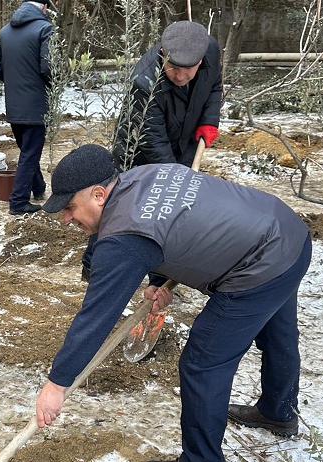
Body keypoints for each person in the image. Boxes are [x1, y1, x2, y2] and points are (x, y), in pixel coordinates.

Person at [36, 144, 311, 462]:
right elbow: (173, 221)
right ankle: (278, 410)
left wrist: (56, 385)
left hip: (260, 263)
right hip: (287, 233)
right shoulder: (143, 176)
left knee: (203, 363)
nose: (66, 218)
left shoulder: (121, 238)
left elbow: (95, 318)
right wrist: (156, 281)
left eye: (70, 207)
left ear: (100, 194)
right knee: (277, 332)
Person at [82, 20, 223, 281]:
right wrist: (175, 181)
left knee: (167, 215)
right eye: (173, 69)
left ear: (201, 59)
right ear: (162, 55)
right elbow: (153, 140)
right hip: (139, 151)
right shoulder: (144, 81)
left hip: (185, 142)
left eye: (188, 70)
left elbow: (214, 88)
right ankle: (94, 266)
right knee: (120, 208)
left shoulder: (210, 50)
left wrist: (209, 121)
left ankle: (160, 277)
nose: (180, 77)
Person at [0, 0, 53, 215]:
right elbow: (48, 67)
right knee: (30, 152)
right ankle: (18, 202)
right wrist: (50, 87)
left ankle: (38, 187)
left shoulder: (5, 31)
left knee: (28, 149)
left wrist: (15, 83)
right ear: (44, 7)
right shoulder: (45, 29)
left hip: (14, 105)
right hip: (36, 105)